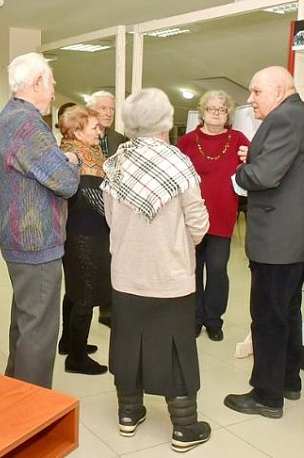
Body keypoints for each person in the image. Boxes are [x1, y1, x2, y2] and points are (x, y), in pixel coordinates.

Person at [102, 88, 211, 453]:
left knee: (128, 343)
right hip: (170, 274)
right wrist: (178, 243)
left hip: (127, 273)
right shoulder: (178, 162)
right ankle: (184, 427)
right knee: (177, 347)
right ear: (165, 121)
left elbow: (110, 217)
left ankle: (128, 414)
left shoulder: (117, 162)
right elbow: (197, 221)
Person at [224, 66, 304, 419]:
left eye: (256, 92)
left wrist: (240, 173)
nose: (250, 99)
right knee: (287, 312)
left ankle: (266, 396)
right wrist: (255, 157)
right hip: (297, 237)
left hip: (280, 239)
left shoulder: (283, 119)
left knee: (268, 317)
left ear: (279, 90)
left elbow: (265, 175)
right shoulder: (300, 115)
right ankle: (288, 381)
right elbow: (284, 167)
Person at [0, 52, 80, 389]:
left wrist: (59, 159)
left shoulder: (8, 116)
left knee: (25, 323)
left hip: (16, 236)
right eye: (52, 83)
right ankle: (33, 405)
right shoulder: (28, 125)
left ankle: (15, 392)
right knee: (39, 331)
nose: (54, 92)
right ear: (37, 83)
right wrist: (73, 161)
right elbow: (66, 182)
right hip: (35, 239)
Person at [177, 90, 250, 342]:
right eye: (211, 108)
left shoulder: (238, 139)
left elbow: (254, 166)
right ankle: (194, 318)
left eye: (222, 109)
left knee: (218, 270)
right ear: (202, 112)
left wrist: (249, 160)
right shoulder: (187, 141)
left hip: (222, 215)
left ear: (228, 114)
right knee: (193, 270)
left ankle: (214, 320)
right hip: (191, 218)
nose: (216, 113)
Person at [57, 105, 109, 375]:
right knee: (85, 295)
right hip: (82, 232)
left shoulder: (90, 152)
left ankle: (69, 342)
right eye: (94, 128)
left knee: (75, 291)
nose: (100, 132)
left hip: (87, 229)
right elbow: (92, 197)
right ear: (77, 132)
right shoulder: (72, 157)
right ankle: (76, 358)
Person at [87, 91, 128, 327]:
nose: (109, 113)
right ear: (91, 110)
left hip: (114, 208)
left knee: (112, 259)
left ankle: (108, 309)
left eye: (111, 109)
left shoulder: (120, 139)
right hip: (86, 208)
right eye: (103, 108)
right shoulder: (81, 135)